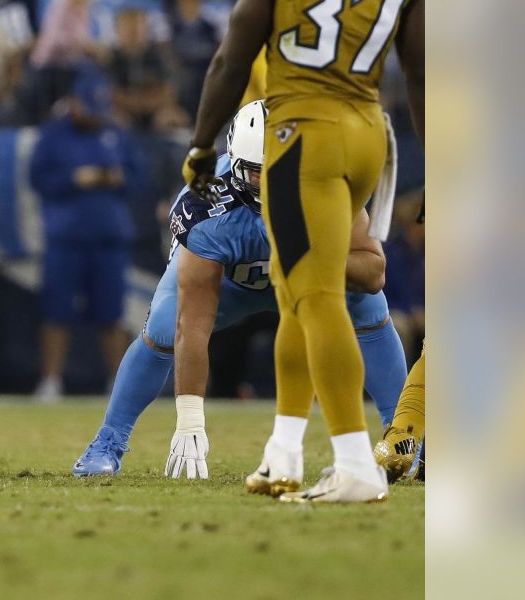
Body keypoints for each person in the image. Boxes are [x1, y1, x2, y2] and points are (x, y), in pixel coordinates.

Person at [180, 0, 424, 503]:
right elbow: (422, 68)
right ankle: (283, 452)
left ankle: (354, 463)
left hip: (302, 131)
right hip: (368, 131)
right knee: (295, 294)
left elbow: (234, 55)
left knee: (315, 297)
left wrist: (204, 141)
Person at [74, 102, 407, 479]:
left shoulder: (329, 180)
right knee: (166, 326)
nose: (271, 185)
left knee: (367, 304)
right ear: (235, 166)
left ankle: (404, 437)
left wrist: (307, 253)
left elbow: (373, 272)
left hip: (307, 275)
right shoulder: (208, 208)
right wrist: (190, 420)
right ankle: (108, 441)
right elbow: (193, 325)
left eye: (281, 171)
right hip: (232, 282)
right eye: (257, 173)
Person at [28, 73, 142, 401]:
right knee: (56, 313)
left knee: (112, 314)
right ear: (73, 102)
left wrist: (117, 178)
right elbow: (37, 180)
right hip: (65, 237)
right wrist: (74, 179)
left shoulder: (116, 133)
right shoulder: (53, 136)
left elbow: (138, 179)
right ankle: (51, 381)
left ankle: (119, 385)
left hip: (109, 237)